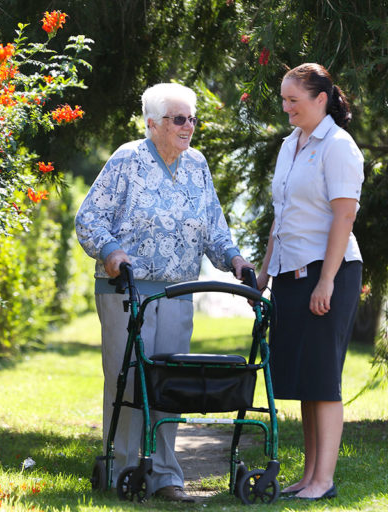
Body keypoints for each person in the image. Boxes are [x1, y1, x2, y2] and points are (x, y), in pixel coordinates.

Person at [75, 83, 253, 502]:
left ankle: (165, 476)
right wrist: (111, 251)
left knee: (170, 384)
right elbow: (89, 217)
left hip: (178, 292)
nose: (188, 126)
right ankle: (122, 468)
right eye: (178, 119)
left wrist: (236, 261)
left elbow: (214, 228)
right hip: (127, 291)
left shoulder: (197, 166)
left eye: (192, 118)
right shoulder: (127, 160)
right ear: (152, 123)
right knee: (129, 380)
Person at [255, 63, 364, 501]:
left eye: (293, 100)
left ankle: (324, 480)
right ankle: (308, 475)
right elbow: (281, 218)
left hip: (328, 271)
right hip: (289, 273)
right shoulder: (290, 145)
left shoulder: (339, 146)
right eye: (283, 100)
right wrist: (264, 274)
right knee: (303, 380)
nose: (286, 108)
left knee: (322, 379)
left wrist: (327, 282)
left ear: (321, 99)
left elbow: (344, 215)